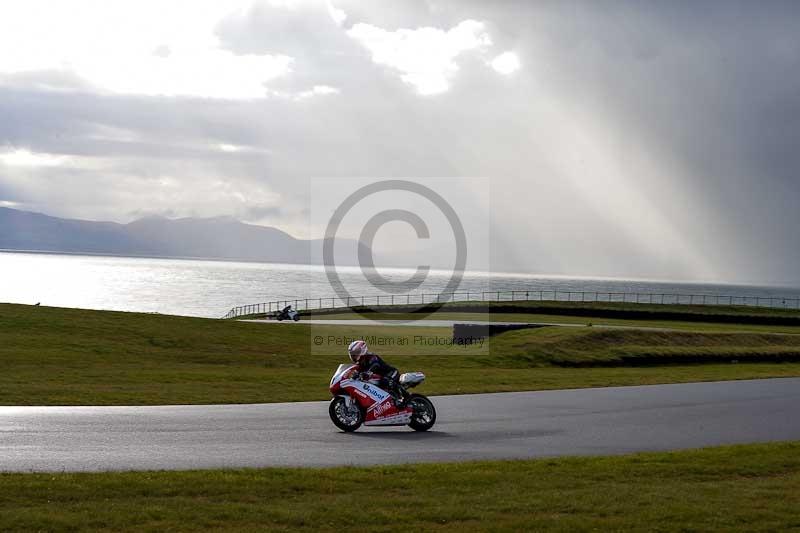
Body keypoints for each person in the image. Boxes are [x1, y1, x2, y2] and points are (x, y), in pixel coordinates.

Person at [348, 340, 406, 406]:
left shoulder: (371, 356)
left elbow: (375, 365)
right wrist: (353, 376)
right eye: (352, 354)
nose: (354, 356)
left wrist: (367, 373)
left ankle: (402, 398)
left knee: (385, 381)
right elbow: (356, 372)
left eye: (355, 353)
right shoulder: (360, 363)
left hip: (391, 372)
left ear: (362, 350)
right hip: (379, 377)